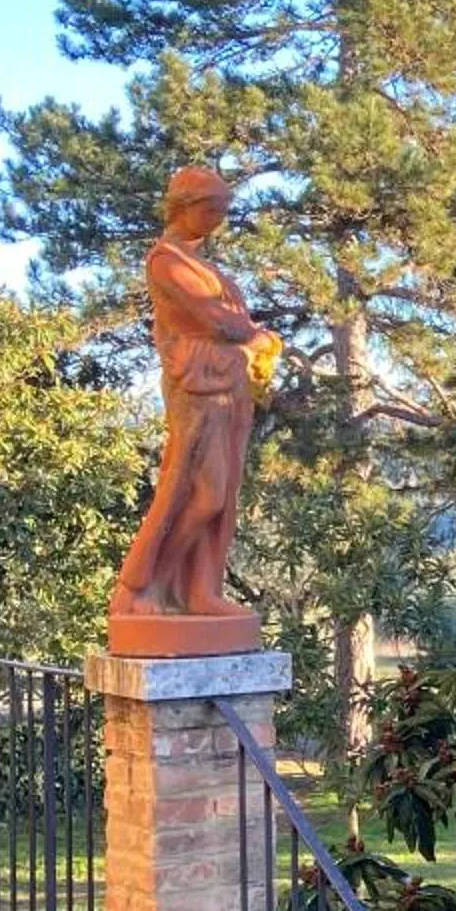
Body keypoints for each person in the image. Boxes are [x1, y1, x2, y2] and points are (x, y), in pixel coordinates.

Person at [110, 166, 279, 649]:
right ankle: (149, 584)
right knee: (201, 493)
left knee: (221, 497)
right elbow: (222, 321)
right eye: (211, 209)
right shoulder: (167, 261)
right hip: (197, 383)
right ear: (183, 206)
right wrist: (254, 337)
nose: (218, 219)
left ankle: (202, 591)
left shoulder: (202, 264)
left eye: (224, 211)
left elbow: (233, 323)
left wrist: (250, 339)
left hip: (226, 382)